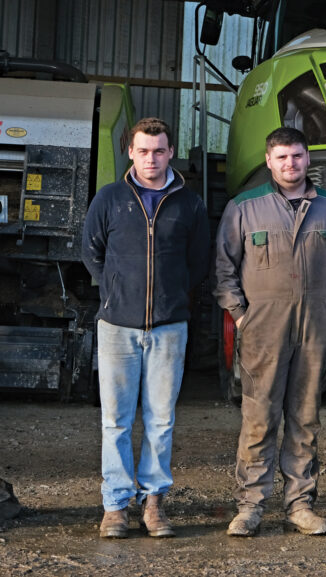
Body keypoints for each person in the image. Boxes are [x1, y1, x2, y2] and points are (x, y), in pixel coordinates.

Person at [214, 127, 326, 537]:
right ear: (268, 160)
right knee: (259, 418)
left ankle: (300, 504)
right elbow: (223, 270)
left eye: (296, 156)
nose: (290, 164)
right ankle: (251, 506)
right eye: (281, 157)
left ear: (308, 159)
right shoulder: (244, 207)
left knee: (306, 418)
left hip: (315, 329)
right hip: (263, 329)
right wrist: (241, 316)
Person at [82, 117, 210, 539]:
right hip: (117, 325)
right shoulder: (110, 198)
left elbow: (198, 263)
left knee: (161, 418)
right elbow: (91, 253)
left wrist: (171, 297)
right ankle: (116, 505)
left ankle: (153, 503)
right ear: (131, 153)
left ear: (171, 152)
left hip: (170, 328)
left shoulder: (189, 203)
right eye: (143, 150)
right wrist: (117, 295)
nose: (151, 158)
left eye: (159, 150)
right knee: (115, 419)